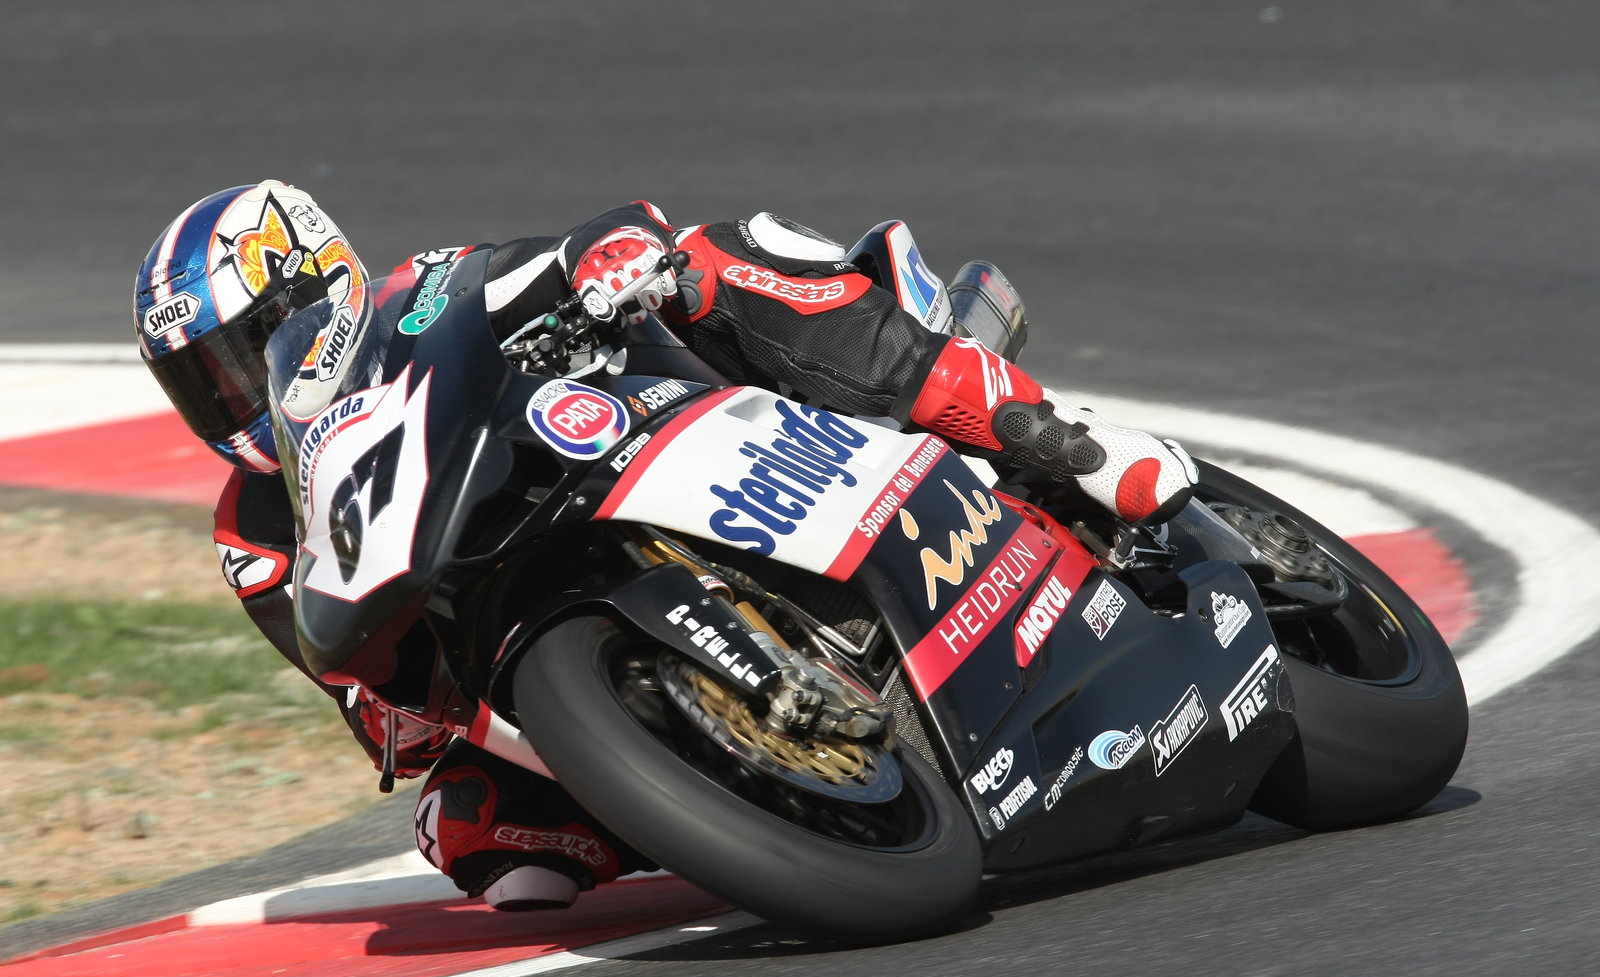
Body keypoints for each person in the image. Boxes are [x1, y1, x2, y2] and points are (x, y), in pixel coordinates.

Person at [134, 180, 1196, 910]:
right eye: (204, 380)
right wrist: (445, 723)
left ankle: (1046, 434)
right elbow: (376, 694)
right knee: (474, 832)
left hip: (683, 423)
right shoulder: (255, 528)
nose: (235, 393)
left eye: (242, 353)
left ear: (319, 285)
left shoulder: (425, 290)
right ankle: (742, 762)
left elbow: (560, 255)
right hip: (516, 639)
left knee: (717, 253)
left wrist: (601, 262)